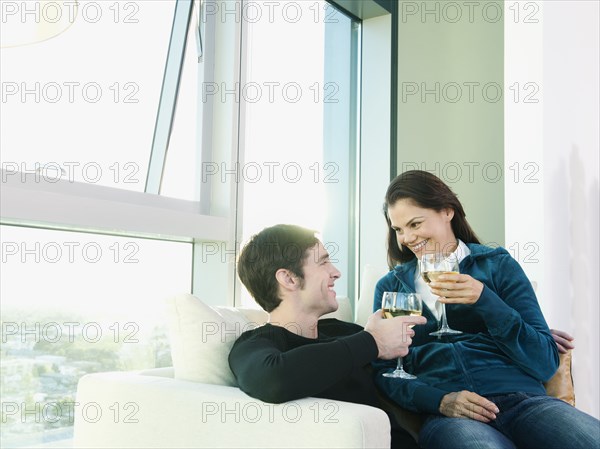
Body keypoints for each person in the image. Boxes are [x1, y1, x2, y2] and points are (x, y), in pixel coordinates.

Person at [373, 170, 600, 449]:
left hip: (524, 402)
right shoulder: (391, 288)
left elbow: (544, 362)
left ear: (447, 211)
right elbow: (385, 372)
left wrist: (485, 300)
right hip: (452, 416)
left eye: (415, 224)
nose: (407, 237)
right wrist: (440, 400)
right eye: (398, 229)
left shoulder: (498, 265)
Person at [229, 224, 426, 448]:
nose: (336, 272)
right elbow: (274, 380)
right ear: (289, 279)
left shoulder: (345, 332)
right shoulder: (254, 346)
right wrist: (373, 341)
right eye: (323, 262)